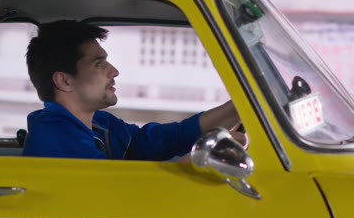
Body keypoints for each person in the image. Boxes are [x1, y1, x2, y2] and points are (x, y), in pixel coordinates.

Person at [22, 20, 243, 161]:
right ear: (64, 81)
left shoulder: (101, 124)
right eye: (98, 64)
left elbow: (164, 140)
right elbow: (116, 188)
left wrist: (238, 107)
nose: (114, 71)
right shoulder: (54, 136)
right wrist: (203, 159)